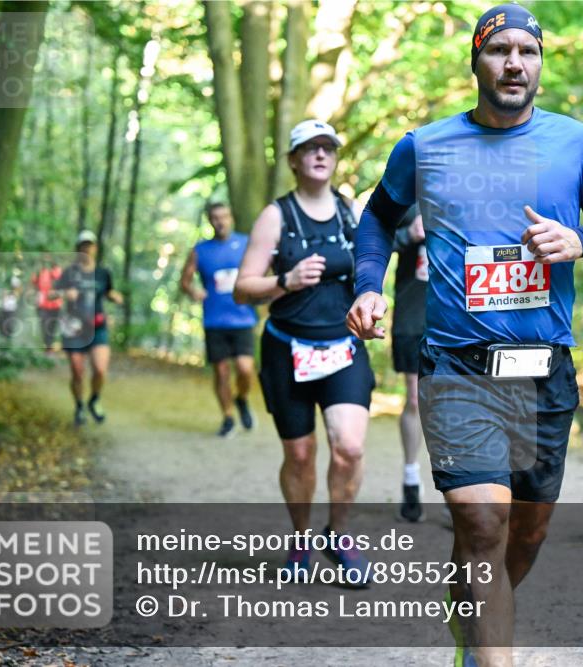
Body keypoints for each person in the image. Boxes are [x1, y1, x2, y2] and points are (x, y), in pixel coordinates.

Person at [347, 5, 583, 664]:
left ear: (539, 64)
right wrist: (367, 284)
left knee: (522, 537)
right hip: (458, 367)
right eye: (499, 50)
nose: (514, 63)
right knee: (482, 523)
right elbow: (377, 219)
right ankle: (487, 654)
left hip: (544, 368)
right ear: (475, 60)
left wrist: (579, 238)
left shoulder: (575, 142)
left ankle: (472, 621)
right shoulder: (425, 146)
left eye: (527, 52)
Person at [234, 119, 373, 586]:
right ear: (293, 160)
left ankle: (339, 534)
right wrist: (284, 281)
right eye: (309, 148)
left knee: (349, 448)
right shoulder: (277, 216)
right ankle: (300, 537)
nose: (319, 155)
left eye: (327, 148)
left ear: (335, 158)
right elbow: (242, 289)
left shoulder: (351, 213)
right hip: (287, 349)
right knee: (299, 454)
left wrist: (371, 309)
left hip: (343, 348)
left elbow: (369, 278)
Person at [181, 202, 258, 437]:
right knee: (222, 371)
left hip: (243, 318)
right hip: (214, 321)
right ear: (209, 220)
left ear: (231, 217)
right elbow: (184, 281)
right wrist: (194, 291)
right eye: (215, 217)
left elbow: (263, 271)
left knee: (245, 369)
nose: (220, 221)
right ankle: (227, 416)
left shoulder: (246, 243)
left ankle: (242, 398)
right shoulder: (200, 250)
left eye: (224, 216)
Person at [55, 230, 124, 427]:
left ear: (95, 248)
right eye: (82, 246)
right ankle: (79, 406)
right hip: (74, 328)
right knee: (77, 371)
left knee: (100, 370)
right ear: (78, 249)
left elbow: (109, 291)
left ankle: (94, 400)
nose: (86, 249)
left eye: (90, 245)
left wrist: (115, 297)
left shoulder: (103, 273)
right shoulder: (69, 273)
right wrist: (64, 292)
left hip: (98, 326)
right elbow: (52, 292)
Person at [391, 205, 429, 522]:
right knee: (416, 399)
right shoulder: (405, 196)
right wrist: (409, 233)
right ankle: (411, 477)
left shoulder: (472, 192)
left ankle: (457, 482)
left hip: (459, 317)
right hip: (413, 315)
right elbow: (370, 239)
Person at [32, 256, 62, 353]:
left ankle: (49, 347)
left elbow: (59, 280)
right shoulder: (39, 271)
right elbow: (33, 282)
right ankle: (47, 346)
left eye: (49, 258)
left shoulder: (57, 270)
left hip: (55, 305)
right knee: (44, 325)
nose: (46, 260)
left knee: (52, 326)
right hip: (42, 305)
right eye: (45, 258)